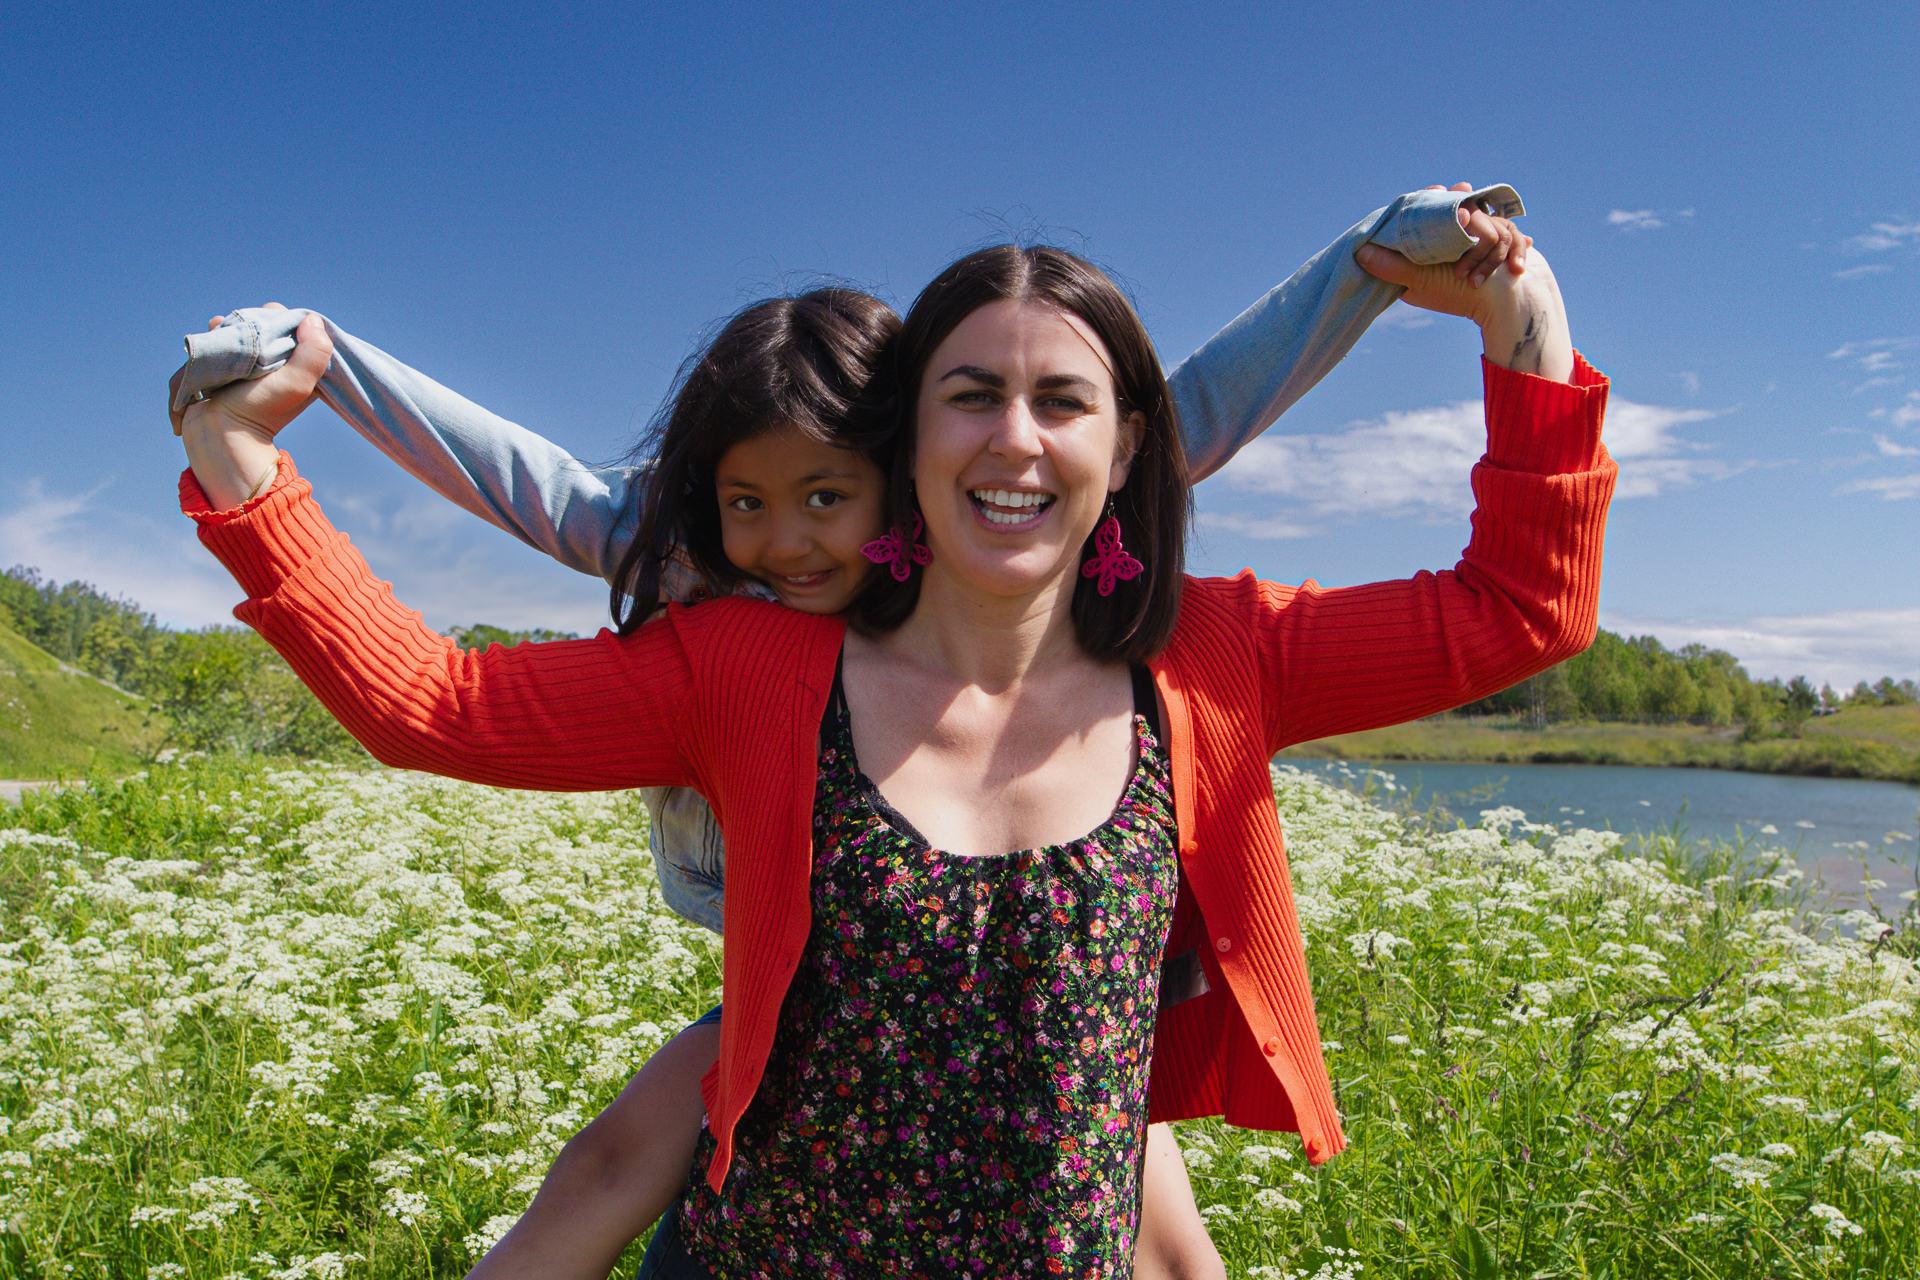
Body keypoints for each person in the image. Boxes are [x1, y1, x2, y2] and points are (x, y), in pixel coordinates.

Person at [175, 224, 1607, 1278]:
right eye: (973, 395)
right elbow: (432, 704)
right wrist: (246, 472)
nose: (1018, 440)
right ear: (910, 438)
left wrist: (1514, 313)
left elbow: (1521, 612)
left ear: (1128, 448)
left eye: (1064, 403)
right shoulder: (750, 664)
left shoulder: (1211, 655)